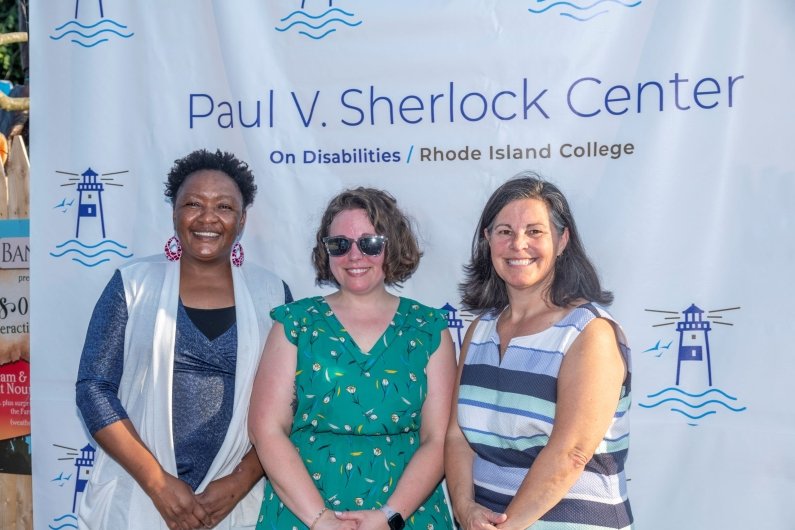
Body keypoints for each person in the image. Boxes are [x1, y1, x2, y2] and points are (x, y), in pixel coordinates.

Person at [75, 149, 292, 530]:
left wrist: (239, 482)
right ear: (174, 212)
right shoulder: (132, 284)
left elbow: (292, 401)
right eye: (193, 203)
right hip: (139, 497)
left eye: (224, 207)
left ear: (242, 220)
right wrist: (157, 483)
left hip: (237, 506)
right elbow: (94, 388)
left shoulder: (273, 294)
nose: (207, 218)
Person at [248, 187, 456, 530]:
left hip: (408, 515)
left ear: (391, 246)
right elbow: (266, 429)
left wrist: (390, 515)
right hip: (302, 514)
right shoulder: (295, 324)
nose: (354, 255)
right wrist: (320, 519)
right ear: (326, 252)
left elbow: (438, 439)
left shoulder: (428, 329)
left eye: (370, 243)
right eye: (340, 244)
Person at [445, 173, 633, 530]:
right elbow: (457, 436)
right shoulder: (480, 330)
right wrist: (465, 509)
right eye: (504, 232)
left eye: (535, 231)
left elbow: (571, 453)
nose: (518, 244)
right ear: (487, 240)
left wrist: (504, 526)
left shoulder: (588, 332)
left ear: (562, 240)